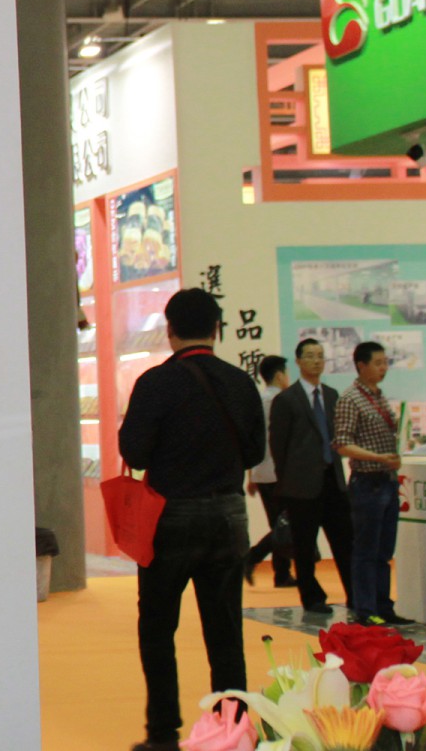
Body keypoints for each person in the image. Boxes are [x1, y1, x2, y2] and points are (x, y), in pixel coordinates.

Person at [116, 289, 263, 751]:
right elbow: (255, 453)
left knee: (158, 628)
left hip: (170, 518)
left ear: (170, 329)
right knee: (226, 632)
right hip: (227, 517)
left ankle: (163, 733)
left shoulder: (155, 383)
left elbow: (135, 452)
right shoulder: (240, 382)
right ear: (216, 329)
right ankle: (232, 730)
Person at [267, 338, 354, 616]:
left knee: (345, 542)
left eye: (320, 356)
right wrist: (286, 483)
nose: (316, 361)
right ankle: (312, 597)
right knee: (304, 546)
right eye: (310, 356)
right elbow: (278, 445)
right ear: (298, 361)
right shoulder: (286, 399)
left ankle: (355, 595)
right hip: (300, 486)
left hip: (333, 480)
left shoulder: (332, 395)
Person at [333, 342, 412, 628]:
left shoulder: (378, 396)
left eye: (385, 362)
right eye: (377, 363)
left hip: (387, 481)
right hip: (367, 482)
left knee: (384, 551)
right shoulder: (350, 399)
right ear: (361, 366)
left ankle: (383, 606)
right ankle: (365, 610)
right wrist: (378, 457)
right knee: (366, 551)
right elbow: (342, 443)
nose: (383, 368)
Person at [242, 356, 294, 589]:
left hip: (262, 471)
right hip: (279, 471)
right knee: (286, 524)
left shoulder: (258, 401)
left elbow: (253, 440)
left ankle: (281, 574)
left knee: (279, 524)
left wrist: (251, 474)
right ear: (280, 375)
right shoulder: (280, 401)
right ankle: (253, 557)